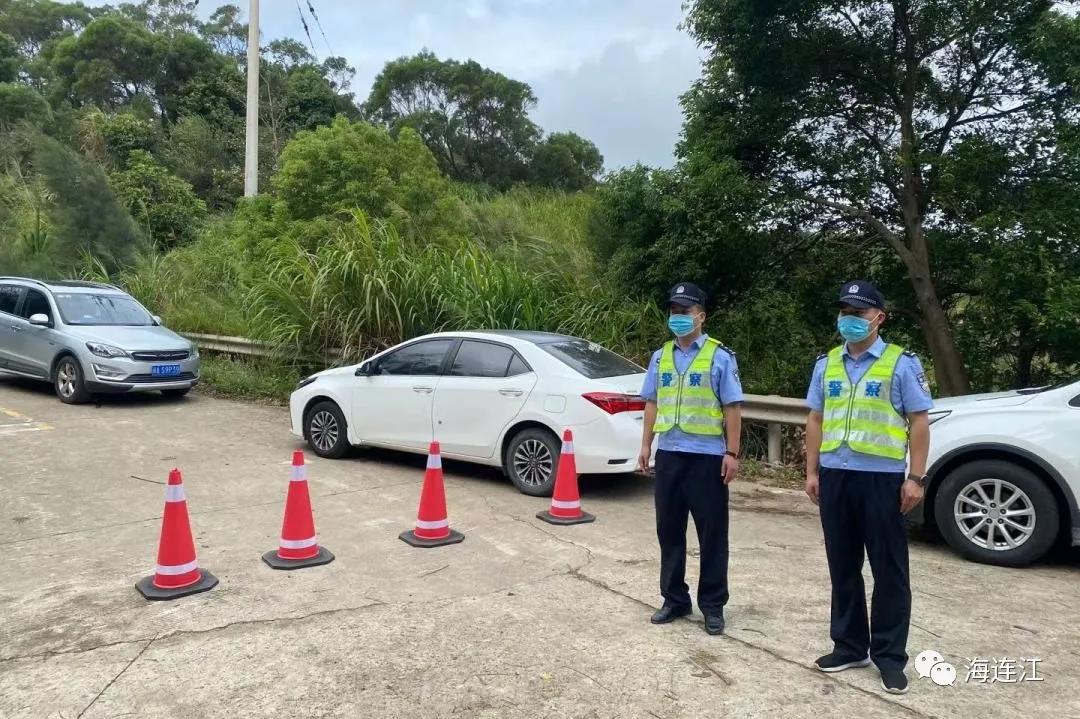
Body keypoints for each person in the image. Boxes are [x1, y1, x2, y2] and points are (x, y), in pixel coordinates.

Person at [804, 280, 933, 695]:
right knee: (842, 565)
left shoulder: (900, 363)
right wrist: (811, 472)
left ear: (879, 318)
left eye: (858, 314)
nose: (850, 320)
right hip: (835, 476)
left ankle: (890, 657)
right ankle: (848, 645)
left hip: (881, 482)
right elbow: (815, 420)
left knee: (889, 571)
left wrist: (916, 477)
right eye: (845, 312)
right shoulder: (827, 364)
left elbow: (918, 421)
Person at [638, 282, 743, 635]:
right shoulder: (660, 356)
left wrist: (732, 452)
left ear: (701, 316)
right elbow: (652, 402)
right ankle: (674, 598)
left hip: (707, 458)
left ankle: (712, 605)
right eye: (673, 311)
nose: (678, 318)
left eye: (684, 311)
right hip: (670, 455)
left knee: (712, 535)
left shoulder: (719, 356)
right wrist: (645, 445)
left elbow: (732, 407)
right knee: (669, 531)